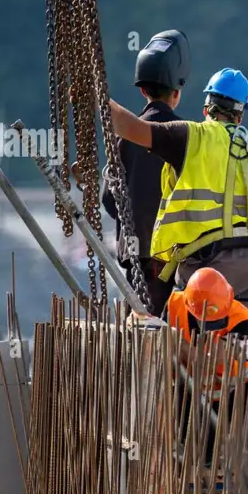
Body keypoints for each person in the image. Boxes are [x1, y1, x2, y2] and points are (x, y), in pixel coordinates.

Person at [107, 67, 248, 313]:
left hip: (203, 266)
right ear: (240, 116)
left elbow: (131, 128)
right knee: (239, 338)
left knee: (191, 338)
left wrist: (96, 97)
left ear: (206, 109)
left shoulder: (188, 136)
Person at [101, 30, 191, 316]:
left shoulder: (125, 139)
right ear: (176, 93)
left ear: (142, 90)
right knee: (170, 337)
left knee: (137, 333)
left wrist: (136, 218)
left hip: (136, 257)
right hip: (176, 260)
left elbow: (108, 198)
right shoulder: (188, 138)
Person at [165, 267, 248, 466]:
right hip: (192, 401)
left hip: (233, 405)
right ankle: (196, 453)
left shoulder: (245, 323)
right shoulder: (173, 306)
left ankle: (242, 455)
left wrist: (177, 343)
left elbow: (212, 360)